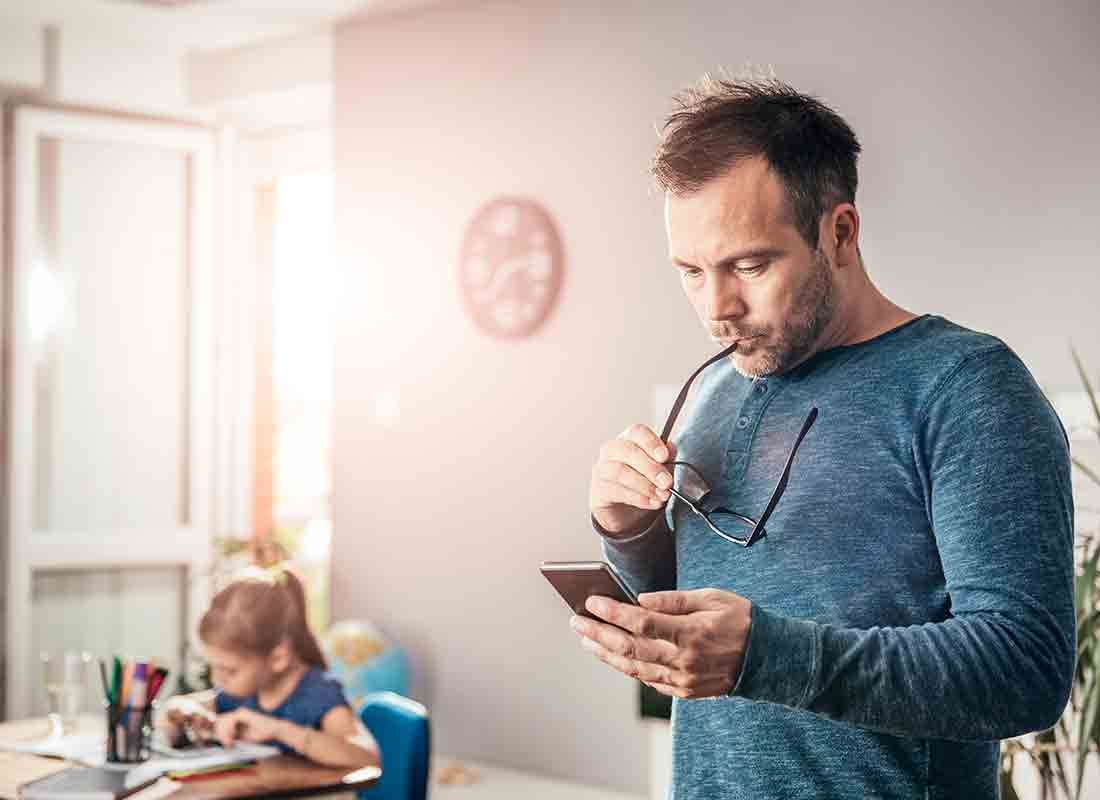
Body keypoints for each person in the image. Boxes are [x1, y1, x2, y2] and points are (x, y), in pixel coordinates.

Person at [574, 75, 1075, 799]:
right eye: (690, 272)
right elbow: (685, 623)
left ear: (840, 232)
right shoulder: (715, 389)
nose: (717, 307)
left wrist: (765, 655)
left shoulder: (967, 388)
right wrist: (626, 529)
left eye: (749, 264)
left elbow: (1025, 670)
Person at [161, 565, 379, 769]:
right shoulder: (244, 690)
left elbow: (366, 757)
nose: (218, 679)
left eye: (229, 671)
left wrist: (277, 729)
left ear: (278, 658)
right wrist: (184, 710)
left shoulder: (318, 693)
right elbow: (189, 704)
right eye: (214, 667)